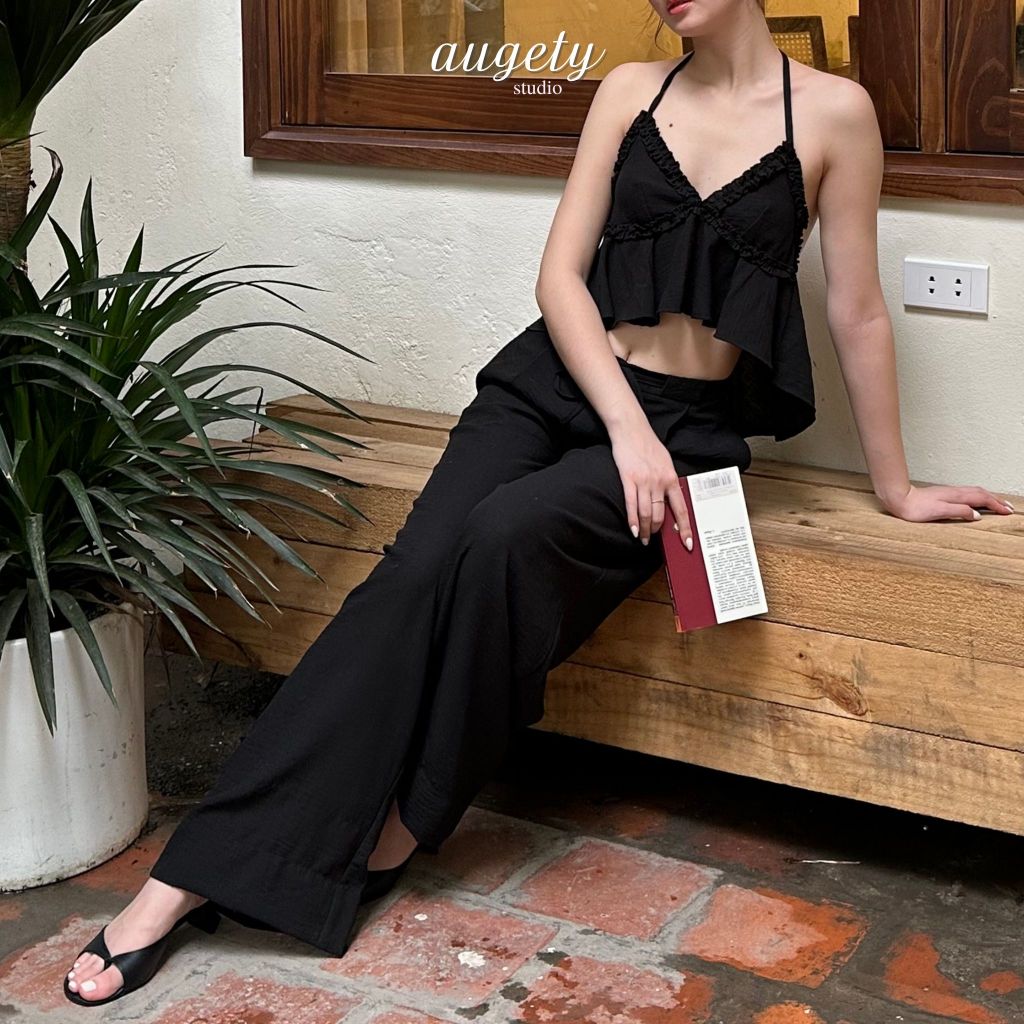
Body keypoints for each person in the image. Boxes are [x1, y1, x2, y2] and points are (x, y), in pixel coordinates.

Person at [62, 0, 1013, 1007]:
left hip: (688, 428)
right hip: (555, 386)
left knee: (504, 540)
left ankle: (411, 817)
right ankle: (185, 876)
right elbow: (560, 278)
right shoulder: (629, 91)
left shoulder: (834, 113)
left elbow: (856, 310)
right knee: (411, 577)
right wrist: (626, 429)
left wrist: (896, 487)